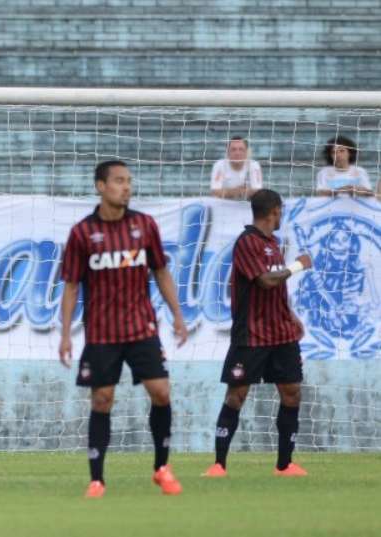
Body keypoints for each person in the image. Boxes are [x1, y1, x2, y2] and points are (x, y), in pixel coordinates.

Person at [58, 160, 188, 498]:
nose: (126, 187)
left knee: (161, 391)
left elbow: (160, 271)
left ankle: (162, 467)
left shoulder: (144, 225)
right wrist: (64, 335)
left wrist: (177, 314)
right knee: (102, 400)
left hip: (141, 328)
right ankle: (97, 480)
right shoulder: (82, 233)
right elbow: (71, 286)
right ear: (101, 186)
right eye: (118, 181)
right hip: (102, 333)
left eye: (128, 181)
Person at [203, 189, 313, 478]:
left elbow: (276, 288)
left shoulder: (273, 243)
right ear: (274, 211)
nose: (282, 216)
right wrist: (298, 265)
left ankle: (284, 465)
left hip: (282, 335)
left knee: (292, 393)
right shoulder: (247, 242)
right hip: (251, 335)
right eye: (281, 211)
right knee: (236, 395)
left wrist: (290, 316)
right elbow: (265, 281)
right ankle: (218, 464)